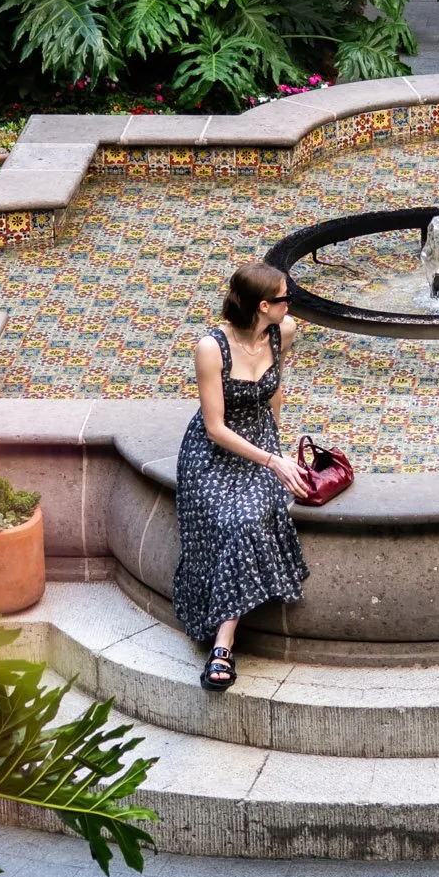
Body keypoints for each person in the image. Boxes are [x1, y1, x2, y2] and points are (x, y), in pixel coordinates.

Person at [176, 259, 315, 690]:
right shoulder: (211, 348)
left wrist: (279, 446)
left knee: (252, 515)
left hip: (261, 441)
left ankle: (223, 642)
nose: (290, 304)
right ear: (261, 305)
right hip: (212, 452)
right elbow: (215, 428)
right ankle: (222, 643)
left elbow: (275, 388)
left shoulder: (283, 331)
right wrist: (273, 462)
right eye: (283, 298)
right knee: (234, 521)